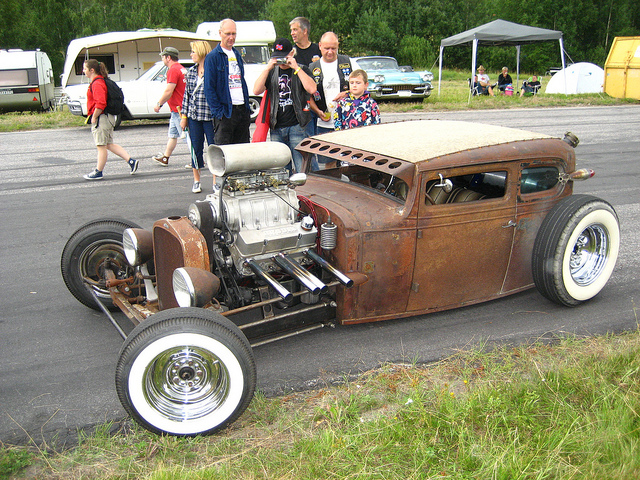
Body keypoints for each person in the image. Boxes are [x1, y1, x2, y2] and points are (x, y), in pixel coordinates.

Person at [253, 37, 318, 173]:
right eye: (278, 57)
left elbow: (312, 89)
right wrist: (268, 68)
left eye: (284, 57)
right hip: (277, 126)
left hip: (297, 126)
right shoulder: (271, 72)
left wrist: (296, 67)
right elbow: (256, 90)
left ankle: (305, 193)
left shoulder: (302, 69)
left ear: (292, 53)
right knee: (282, 170)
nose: (282, 61)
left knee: (302, 168)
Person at [82, 59, 138, 180]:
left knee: (101, 146)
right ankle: (131, 161)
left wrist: (95, 117)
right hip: (107, 117)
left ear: (92, 70)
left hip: (102, 118)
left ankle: (98, 171)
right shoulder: (101, 81)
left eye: (85, 69)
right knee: (108, 144)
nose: (83, 71)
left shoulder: (97, 83)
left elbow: (100, 103)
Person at [204, 18, 251, 145]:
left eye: (233, 33)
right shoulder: (213, 57)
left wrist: (246, 109)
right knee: (224, 152)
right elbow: (209, 88)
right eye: (228, 34)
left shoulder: (237, 54)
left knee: (242, 150)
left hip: (242, 109)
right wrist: (219, 113)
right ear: (220, 33)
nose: (231, 37)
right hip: (226, 111)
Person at [308, 32, 352, 168]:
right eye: (327, 48)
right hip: (324, 123)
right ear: (320, 46)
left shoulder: (348, 62)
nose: (330, 52)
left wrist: (346, 93)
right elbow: (308, 96)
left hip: (347, 122)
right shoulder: (312, 67)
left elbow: (362, 86)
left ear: (338, 46)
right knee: (329, 163)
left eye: (333, 48)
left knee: (352, 162)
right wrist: (317, 111)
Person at [180, 41, 213, 194]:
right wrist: (184, 116)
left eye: (193, 51)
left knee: (213, 148)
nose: (191, 54)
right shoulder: (191, 71)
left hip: (210, 116)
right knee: (195, 148)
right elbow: (186, 95)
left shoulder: (213, 70)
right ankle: (197, 180)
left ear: (200, 51)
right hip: (194, 116)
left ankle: (215, 180)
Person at [152, 47, 187, 166]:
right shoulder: (181, 68)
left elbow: (169, 90)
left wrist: (159, 104)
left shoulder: (172, 70)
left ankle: (197, 159)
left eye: (163, 56)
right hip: (176, 109)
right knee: (172, 135)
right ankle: (165, 157)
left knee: (187, 136)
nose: (162, 59)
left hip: (179, 109)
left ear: (168, 57)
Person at [290, 16, 321, 137]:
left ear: (305, 31)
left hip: (320, 101)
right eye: (291, 30)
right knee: (308, 141)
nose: (292, 33)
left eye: (295, 30)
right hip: (302, 104)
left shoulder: (318, 50)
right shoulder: (292, 53)